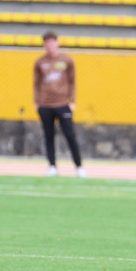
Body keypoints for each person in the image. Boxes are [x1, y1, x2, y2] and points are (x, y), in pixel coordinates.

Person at [33, 30, 86, 178]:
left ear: (57, 43)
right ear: (44, 45)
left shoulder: (67, 61)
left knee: (70, 134)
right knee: (48, 136)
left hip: (63, 104)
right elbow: (36, 84)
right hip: (45, 105)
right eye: (47, 43)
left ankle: (79, 166)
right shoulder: (39, 62)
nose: (50, 46)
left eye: (52, 42)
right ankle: (52, 166)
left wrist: (72, 101)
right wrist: (37, 102)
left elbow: (72, 81)